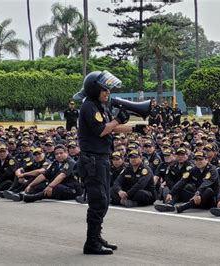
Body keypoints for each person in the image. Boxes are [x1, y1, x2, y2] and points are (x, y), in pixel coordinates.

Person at [77, 71, 133, 255]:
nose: (107, 92)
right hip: (92, 161)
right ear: (94, 90)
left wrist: (136, 129)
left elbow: (113, 128)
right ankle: (91, 243)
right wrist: (118, 118)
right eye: (104, 89)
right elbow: (102, 130)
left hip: (101, 159)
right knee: (98, 201)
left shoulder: (100, 106)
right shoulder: (89, 107)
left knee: (104, 200)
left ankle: (96, 237)